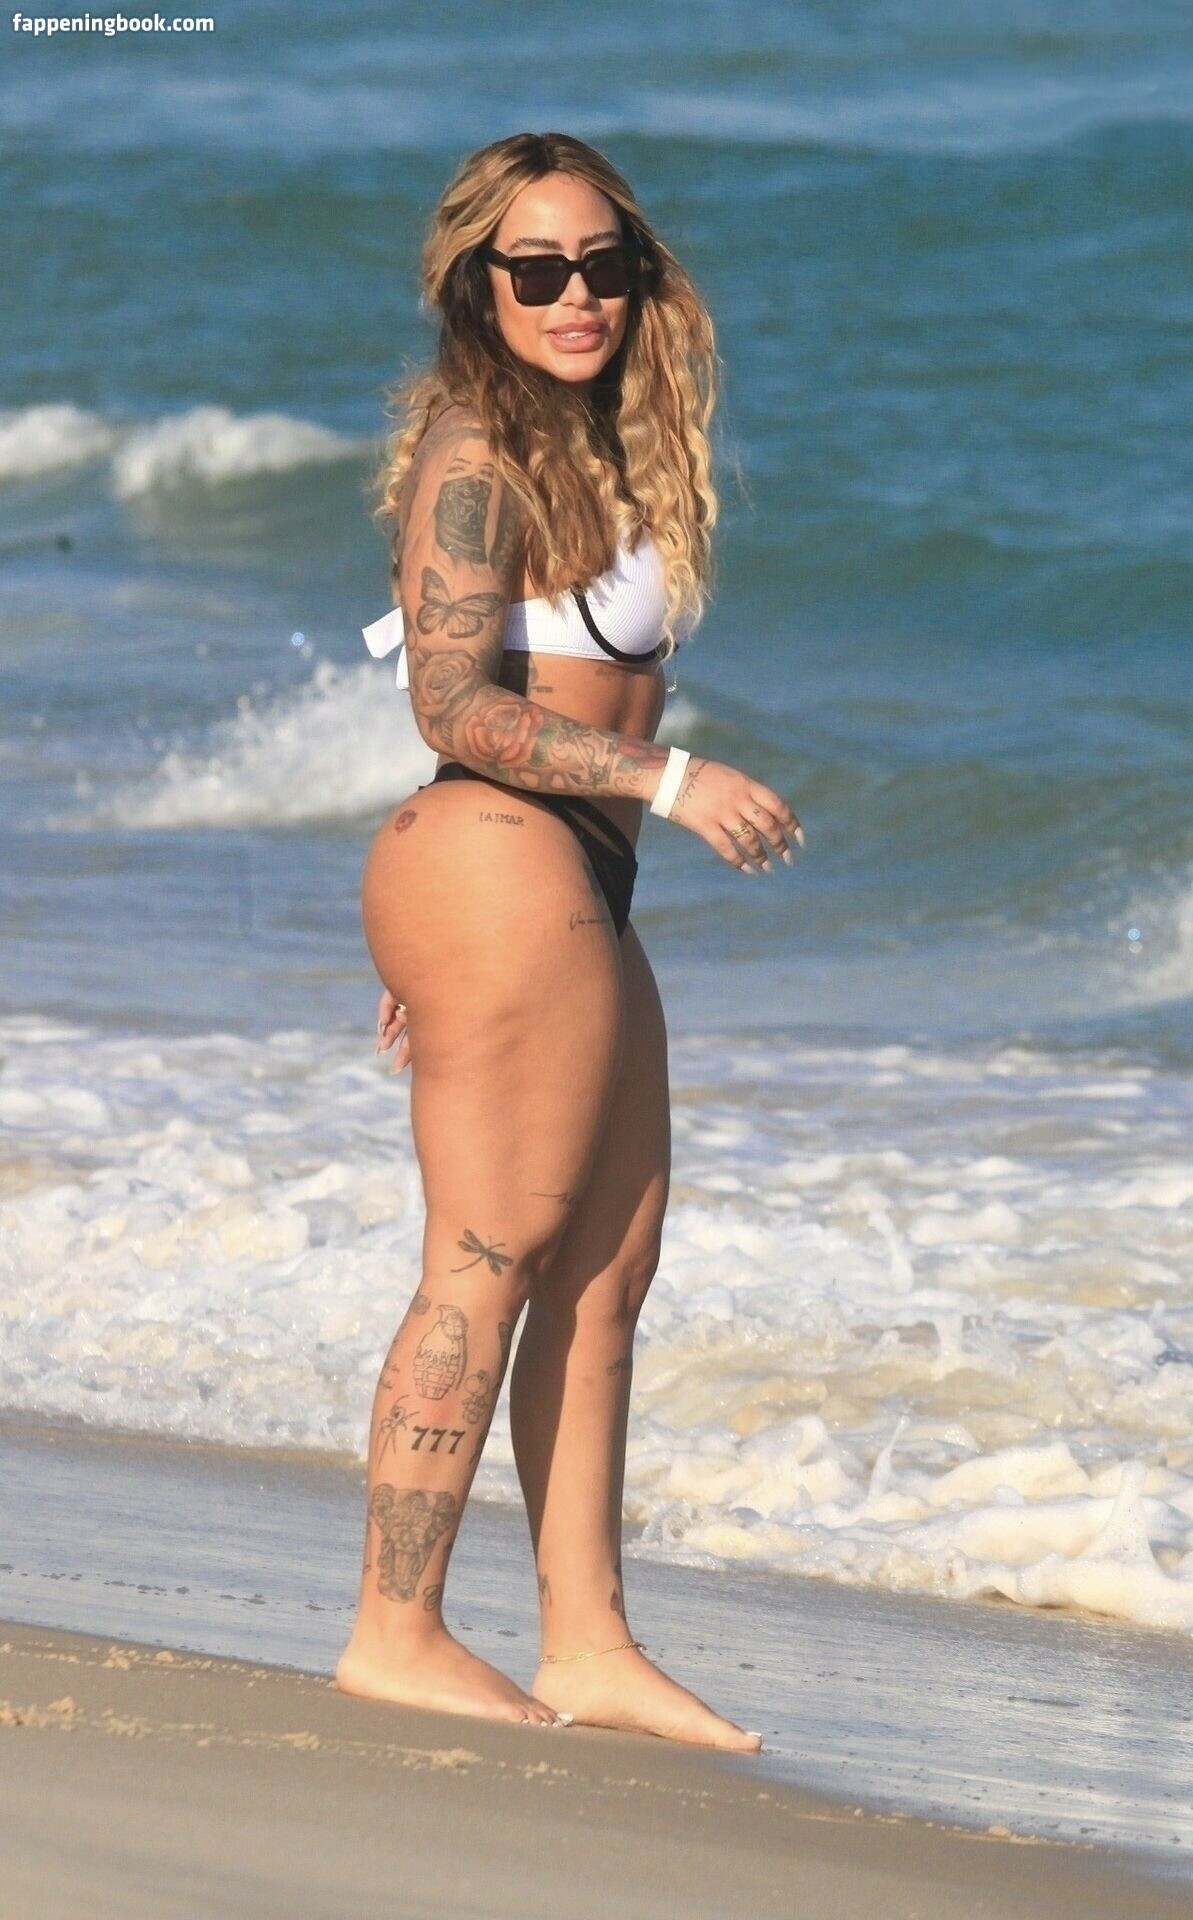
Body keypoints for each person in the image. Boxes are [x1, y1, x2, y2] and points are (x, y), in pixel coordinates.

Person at [336, 131, 803, 1751]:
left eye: (603, 263)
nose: (575, 294)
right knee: (489, 1252)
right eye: (535, 269)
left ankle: (587, 1642)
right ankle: (394, 1628)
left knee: (606, 1264)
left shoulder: (605, 447)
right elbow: (450, 706)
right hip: (498, 853)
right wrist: (671, 780)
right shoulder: (477, 452)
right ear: (477, 286)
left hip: (555, 887)